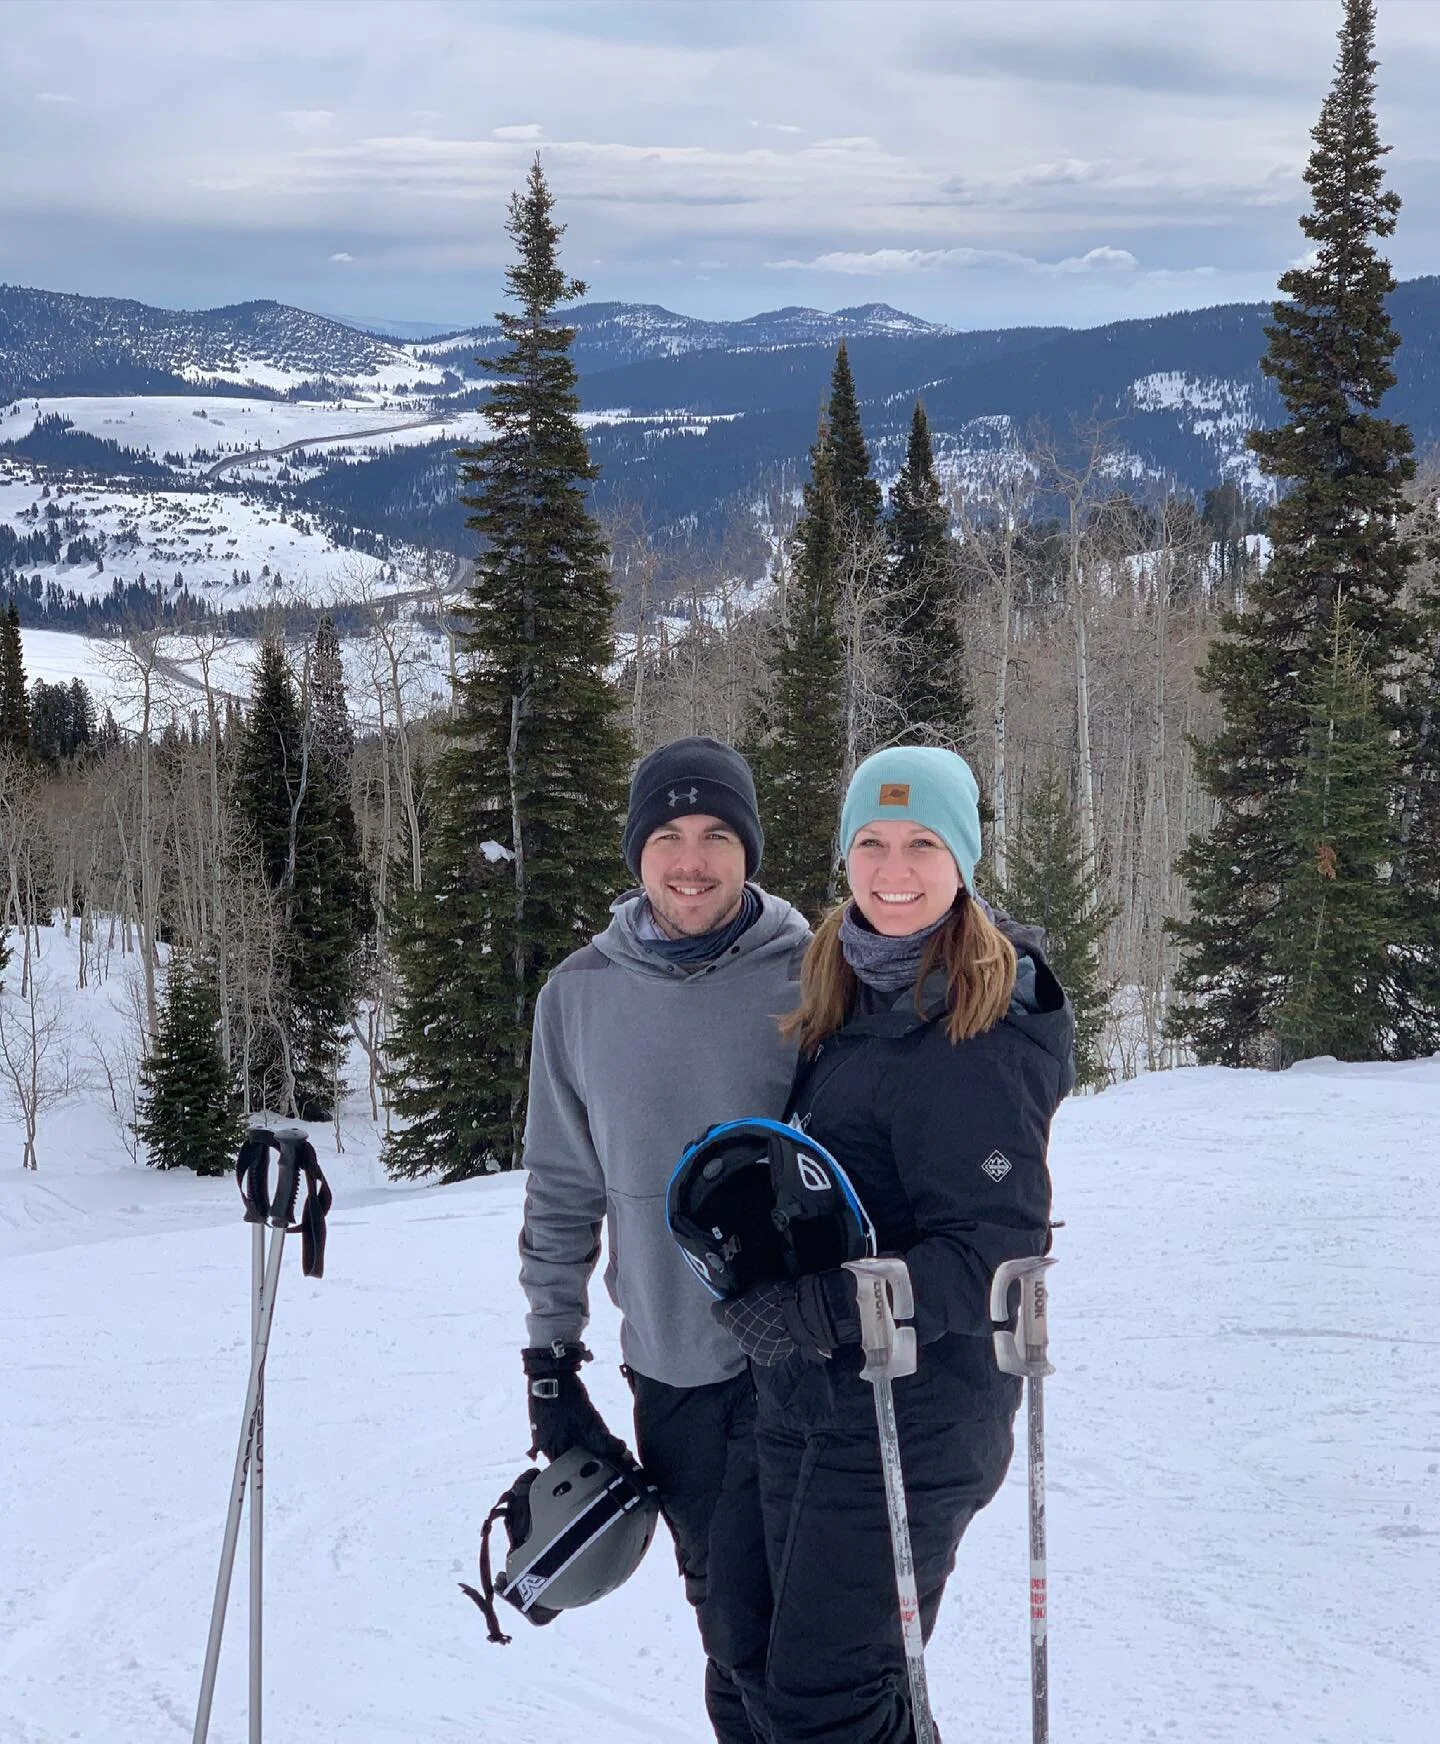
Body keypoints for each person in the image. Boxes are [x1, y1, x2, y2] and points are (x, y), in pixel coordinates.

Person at [714, 744, 1075, 1744]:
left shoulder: (984, 1024)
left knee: (826, 1700)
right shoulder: (851, 981)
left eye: (922, 843)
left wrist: (825, 1304)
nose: (894, 868)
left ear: (963, 858)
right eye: (871, 841)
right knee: (746, 1652)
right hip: (811, 1392)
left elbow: (990, 1257)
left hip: (914, 1414)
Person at [519, 736, 808, 1744]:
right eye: (670, 836)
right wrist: (550, 1363)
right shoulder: (579, 997)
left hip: (814, 1364)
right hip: (677, 1374)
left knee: (822, 1650)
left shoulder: (815, 975)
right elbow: (561, 1192)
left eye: (718, 835)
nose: (692, 860)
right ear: (637, 853)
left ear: (749, 850)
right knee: (732, 1636)